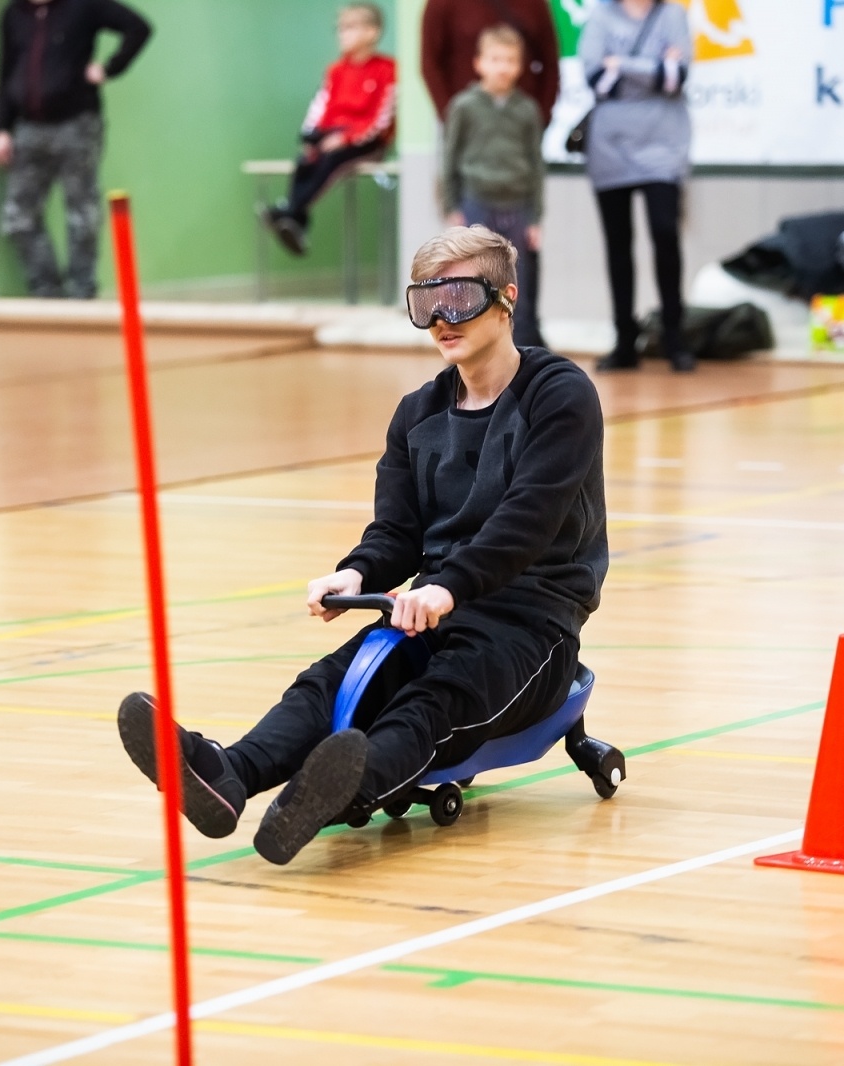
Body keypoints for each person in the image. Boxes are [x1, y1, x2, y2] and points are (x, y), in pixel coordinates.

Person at [116, 226, 608, 866]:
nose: (440, 319)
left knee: (431, 702)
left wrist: (447, 586)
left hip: (531, 625)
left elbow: (527, 521)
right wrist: (355, 572)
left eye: (457, 298)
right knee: (328, 683)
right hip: (434, 607)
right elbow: (397, 531)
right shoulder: (417, 413)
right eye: (424, 302)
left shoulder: (560, 396)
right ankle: (226, 774)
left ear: (506, 297)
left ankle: (334, 791)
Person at [0, 0, 150, 299]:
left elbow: (138, 28)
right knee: (18, 218)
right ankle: (47, 291)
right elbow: (6, 70)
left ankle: (82, 291)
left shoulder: (84, 6)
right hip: (27, 128)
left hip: (77, 125)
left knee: (82, 214)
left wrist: (109, 68)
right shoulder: (14, 14)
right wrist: (2, 128)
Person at [578, 0, 694, 373]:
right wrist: (654, 68)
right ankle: (624, 341)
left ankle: (675, 338)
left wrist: (621, 64)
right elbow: (598, 81)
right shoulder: (600, 16)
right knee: (618, 243)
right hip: (610, 148)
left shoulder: (673, 15)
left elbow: (675, 78)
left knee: (665, 233)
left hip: (663, 146)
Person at [263, 4, 396, 258]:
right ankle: (294, 217)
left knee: (332, 161)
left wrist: (345, 139)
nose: (342, 34)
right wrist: (310, 136)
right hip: (331, 135)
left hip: (365, 142)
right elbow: (320, 106)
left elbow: (380, 120)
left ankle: (290, 212)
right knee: (306, 160)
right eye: (340, 28)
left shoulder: (387, 70)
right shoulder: (336, 71)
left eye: (350, 27)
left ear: (372, 32)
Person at [443, 25, 546, 348]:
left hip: (516, 205)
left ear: (520, 65)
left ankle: (524, 342)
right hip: (476, 202)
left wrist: (535, 216)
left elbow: (535, 163)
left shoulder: (527, 110)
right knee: (475, 276)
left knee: (518, 278)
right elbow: (449, 159)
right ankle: (473, 338)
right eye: (495, 59)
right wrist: (452, 207)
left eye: (511, 60)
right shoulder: (464, 106)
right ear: (479, 63)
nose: (503, 67)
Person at [420, 0, 560, 125]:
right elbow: (430, 63)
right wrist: (452, 116)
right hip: (467, 120)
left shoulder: (534, 4)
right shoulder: (443, 4)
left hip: (519, 120)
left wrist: (541, 116)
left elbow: (550, 63)